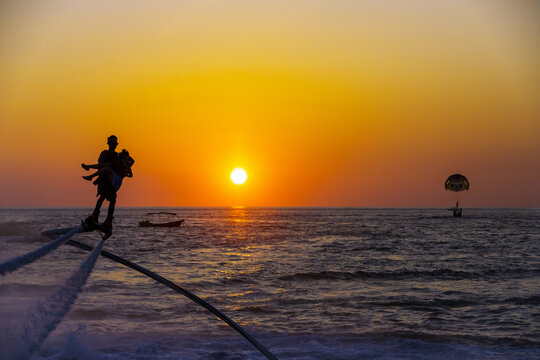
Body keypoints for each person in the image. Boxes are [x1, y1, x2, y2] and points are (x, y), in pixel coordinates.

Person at [81, 135, 134, 238]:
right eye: (111, 143)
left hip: (112, 181)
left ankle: (107, 221)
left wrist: (125, 172)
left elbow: (130, 164)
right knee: (104, 197)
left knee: (112, 200)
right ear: (108, 143)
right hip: (104, 180)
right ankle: (95, 217)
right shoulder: (105, 153)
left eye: (114, 143)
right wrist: (90, 168)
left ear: (117, 144)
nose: (113, 145)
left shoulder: (118, 156)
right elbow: (100, 165)